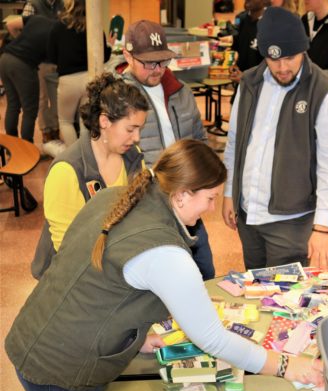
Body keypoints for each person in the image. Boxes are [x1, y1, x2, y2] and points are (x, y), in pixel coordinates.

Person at [6, 139, 322, 391]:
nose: (211, 208)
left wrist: (133, 336)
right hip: (61, 372)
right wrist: (286, 365)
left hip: (33, 338)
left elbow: (94, 281)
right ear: (182, 194)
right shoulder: (167, 254)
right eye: (210, 197)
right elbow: (213, 338)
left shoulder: (115, 197)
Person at [222, 7, 328, 270]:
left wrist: (323, 228)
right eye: (272, 58)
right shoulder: (249, 83)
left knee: (284, 300)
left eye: (289, 57)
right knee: (255, 290)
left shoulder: (325, 93)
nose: (282, 67)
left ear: (303, 48)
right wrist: (229, 194)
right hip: (248, 214)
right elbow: (235, 142)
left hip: (291, 221)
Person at [121, 19, 215, 280]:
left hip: (189, 204)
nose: (157, 69)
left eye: (162, 61)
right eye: (148, 62)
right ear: (127, 55)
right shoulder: (119, 99)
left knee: (204, 273)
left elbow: (199, 139)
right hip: (150, 208)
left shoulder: (181, 91)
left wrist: (203, 184)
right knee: (166, 281)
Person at [31, 73, 148, 279]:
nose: (136, 138)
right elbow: (67, 246)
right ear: (104, 121)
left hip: (110, 262)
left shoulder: (133, 158)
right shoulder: (67, 170)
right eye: (131, 129)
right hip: (67, 275)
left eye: (140, 129)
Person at [45, 0, 114, 156]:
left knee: (65, 121)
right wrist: (110, 45)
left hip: (67, 80)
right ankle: (87, 156)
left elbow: (51, 56)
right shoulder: (94, 26)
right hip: (89, 79)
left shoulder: (58, 26)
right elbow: (103, 56)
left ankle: (73, 157)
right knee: (85, 121)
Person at [0, 15, 55, 142]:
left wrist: (21, 43)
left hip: (5, 58)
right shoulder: (56, 30)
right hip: (23, 65)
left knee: (13, 105)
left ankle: (13, 148)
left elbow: (10, 25)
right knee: (29, 110)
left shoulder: (37, 18)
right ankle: (27, 149)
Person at [21, 0, 64, 144]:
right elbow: (23, 31)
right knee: (43, 98)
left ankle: (55, 128)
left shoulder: (62, 4)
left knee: (57, 98)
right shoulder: (32, 5)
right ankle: (46, 130)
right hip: (41, 61)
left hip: (58, 60)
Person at [229, 0, 266, 84]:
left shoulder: (270, 24)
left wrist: (247, 77)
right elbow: (235, 48)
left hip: (259, 84)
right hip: (240, 81)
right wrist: (234, 65)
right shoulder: (239, 18)